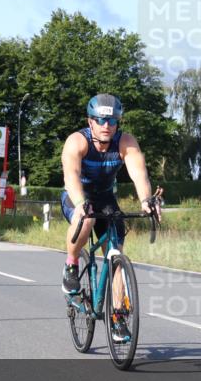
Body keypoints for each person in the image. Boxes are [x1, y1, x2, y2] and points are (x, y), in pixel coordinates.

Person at [60, 94, 161, 343]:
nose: (106, 126)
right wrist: (82, 204)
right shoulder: (77, 142)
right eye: (100, 120)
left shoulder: (125, 142)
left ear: (117, 123)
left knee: (116, 256)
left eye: (112, 121)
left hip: (106, 199)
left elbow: (139, 174)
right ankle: (71, 265)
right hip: (77, 194)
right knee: (86, 220)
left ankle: (117, 318)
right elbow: (71, 176)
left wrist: (147, 201)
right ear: (90, 121)